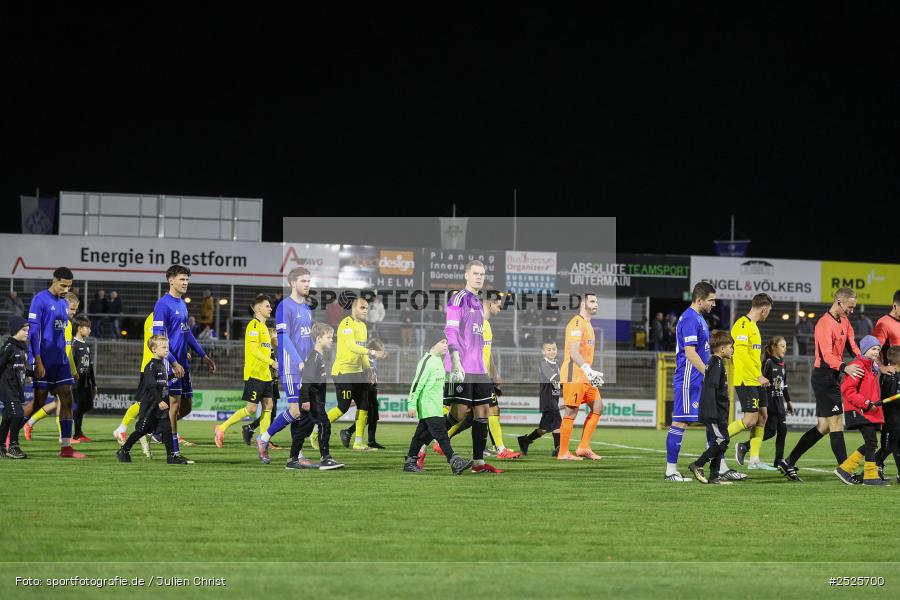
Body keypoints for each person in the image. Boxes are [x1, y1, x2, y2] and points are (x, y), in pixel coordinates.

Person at [782, 288, 863, 484]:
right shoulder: (823, 324)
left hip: (833, 376)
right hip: (824, 376)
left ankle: (789, 461)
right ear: (839, 302)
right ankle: (845, 470)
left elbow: (853, 347)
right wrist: (845, 368)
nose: (851, 311)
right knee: (836, 424)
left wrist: (865, 362)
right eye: (849, 307)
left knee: (824, 426)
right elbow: (827, 356)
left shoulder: (845, 321)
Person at [442, 260, 503, 473]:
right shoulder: (458, 298)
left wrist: (486, 369)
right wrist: (456, 361)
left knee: (482, 412)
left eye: (482, 274)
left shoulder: (477, 302)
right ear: (467, 275)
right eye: (475, 273)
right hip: (461, 367)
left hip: (478, 370)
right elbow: (450, 332)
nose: (479, 277)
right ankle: (419, 450)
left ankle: (478, 463)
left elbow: (476, 340)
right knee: (459, 414)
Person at [153, 265, 217, 461]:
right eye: (182, 279)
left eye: (187, 280)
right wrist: (172, 362)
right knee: (174, 406)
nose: (185, 283)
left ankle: (155, 430)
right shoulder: (162, 305)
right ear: (171, 280)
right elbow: (157, 338)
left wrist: (203, 355)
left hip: (183, 364)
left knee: (187, 407)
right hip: (171, 365)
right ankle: (174, 452)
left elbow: (187, 333)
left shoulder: (181, 304)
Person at [256, 268, 314, 463]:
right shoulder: (284, 306)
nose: (307, 284)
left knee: (303, 412)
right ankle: (263, 439)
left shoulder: (306, 308)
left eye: (308, 280)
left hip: (305, 367)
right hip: (291, 366)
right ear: (293, 283)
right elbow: (283, 337)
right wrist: (298, 360)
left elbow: (308, 337)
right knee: (297, 410)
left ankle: (296, 454)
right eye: (303, 280)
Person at [27, 267, 85, 458]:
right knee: (38, 403)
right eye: (63, 285)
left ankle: (66, 447)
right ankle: (9, 435)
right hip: (43, 360)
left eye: (69, 286)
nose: (65, 289)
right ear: (54, 280)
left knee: (67, 399)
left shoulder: (63, 303)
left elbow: (62, 335)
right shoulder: (40, 299)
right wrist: (37, 360)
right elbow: (34, 334)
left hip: (60, 362)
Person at [664, 282, 715, 481]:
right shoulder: (690, 318)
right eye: (711, 300)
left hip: (698, 377)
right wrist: (708, 373)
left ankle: (719, 467)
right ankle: (670, 471)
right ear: (699, 299)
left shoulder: (699, 318)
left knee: (712, 420)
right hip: (689, 377)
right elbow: (690, 352)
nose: (714, 304)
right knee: (681, 421)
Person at [320, 294, 384, 452]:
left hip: (358, 372)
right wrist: (373, 352)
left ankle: (358, 442)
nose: (365, 311)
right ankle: (317, 430)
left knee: (365, 405)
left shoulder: (363, 326)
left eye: (367, 308)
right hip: (343, 372)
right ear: (354, 308)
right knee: (343, 407)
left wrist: (368, 368)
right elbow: (351, 346)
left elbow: (360, 353)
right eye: (362, 307)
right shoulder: (346, 323)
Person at [403, 336, 473, 475]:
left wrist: (453, 378)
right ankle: (455, 461)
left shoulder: (438, 361)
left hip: (434, 407)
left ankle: (410, 462)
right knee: (442, 436)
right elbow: (417, 383)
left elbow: (440, 383)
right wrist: (411, 404)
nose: (445, 345)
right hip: (429, 407)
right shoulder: (427, 361)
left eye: (446, 342)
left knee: (420, 437)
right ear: (433, 345)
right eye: (442, 342)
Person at [215, 294, 276, 448]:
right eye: (267, 306)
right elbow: (253, 350)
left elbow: (265, 349)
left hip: (266, 375)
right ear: (258, 309)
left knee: (268, 406)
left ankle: (263, 441)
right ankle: (221, 428)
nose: (270, 308)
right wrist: (271, 362)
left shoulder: (263, 327)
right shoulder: (254, 326)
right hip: (254, 374)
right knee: (251, 409)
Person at [116, 335, 186, 464]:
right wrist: (159, 401)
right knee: (142, 430)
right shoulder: (151, 366)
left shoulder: (162, 366)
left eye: (167, 347)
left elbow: (164, 383)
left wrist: (175, 377)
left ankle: (171, 457)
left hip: (161, 407)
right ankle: (124, 450)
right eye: (163, 347)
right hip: (150, 407)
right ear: (154, 349)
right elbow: (151, 386)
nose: (167, 350)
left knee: (167, 429)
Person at [727, 293, 777, 471]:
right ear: (764, 309)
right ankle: (717, 439)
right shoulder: (742, 324)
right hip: (746, 379)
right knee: (750, 420)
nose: (768, 314)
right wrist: (758, 375)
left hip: (755, 379)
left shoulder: (754, 327)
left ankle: (754, 459)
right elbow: (740, 355)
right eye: (768, 311)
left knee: (763, 417)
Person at [286, 322, 343, 470]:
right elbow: (306, 379)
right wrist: (305, 399)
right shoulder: (315, 357)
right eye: (329, 337)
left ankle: (292, 460)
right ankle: (325, 458)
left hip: (312, 399)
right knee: (325, 424)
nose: (332, 340)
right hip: (312, 399)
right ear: (318, 338)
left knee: (303, 430)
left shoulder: (319, 357)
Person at [23, 292, 79, 440]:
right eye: (72, 309)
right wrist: (35, 363)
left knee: (64, 399)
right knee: (39, 402)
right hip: (46, 364)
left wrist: (70, 369)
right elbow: (37, 338)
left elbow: (66, 350)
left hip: (60, 366)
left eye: (76, 309)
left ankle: (65, 441)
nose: (74, 312)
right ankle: (11, 430)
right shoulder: (51, 319)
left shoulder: (67, 323)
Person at [835, 336, 889, 486]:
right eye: (873, 349)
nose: (876, 352)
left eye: (878, 349)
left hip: (868, 410)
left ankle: (845, 469)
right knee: (871, 442)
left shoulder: (873, 367)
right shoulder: (857, 365)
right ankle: (870, 477)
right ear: (865, 349)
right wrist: (865, 403)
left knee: (871, 442)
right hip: (859, 410)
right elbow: (848, 390)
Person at [557, 292, 604, 461]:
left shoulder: (589, 324)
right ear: (584, 304)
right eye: (592, 301)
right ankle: (563, 452)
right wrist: (588, 369)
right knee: (571, 412)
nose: (596, 303)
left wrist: (589, 372)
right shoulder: (577, 322)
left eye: (596, 300)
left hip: (585, 375)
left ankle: (583, 447)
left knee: (598, 407)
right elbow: (574, 352)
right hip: (574, 374)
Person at [687, 330, 735, 484]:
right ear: (722, 349)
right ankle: (698, 464)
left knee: (720, 442)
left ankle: (714, 476)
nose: (732, 349)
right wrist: (712, 411)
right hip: (714, 412)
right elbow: (710, 389)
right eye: (730, 347)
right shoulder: (716, 362)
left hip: (719, 412)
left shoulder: (719, 362)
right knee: (723, 440)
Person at [746, 336, 796, 478]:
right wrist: (763, 404)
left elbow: (784, 385)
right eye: (782, 346)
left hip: (780, 402)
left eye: (786, 346)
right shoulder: (768, 363)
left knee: (782, 431)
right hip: (770, 402)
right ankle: (745, 446)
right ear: (774, 347)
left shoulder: (783, 364)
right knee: (770, 432)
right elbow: (761, 382)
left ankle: (778, 460)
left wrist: (789, 401)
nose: (784, 349)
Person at [517, 340, 562, 456]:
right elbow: (555, 378)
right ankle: (558, 450)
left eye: (554, 349)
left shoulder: (557, 363)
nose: (552, 351)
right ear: (543, 352)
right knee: (558, 424)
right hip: (547, 399)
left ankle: (525, 440)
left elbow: (560, 383)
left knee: (544, 428)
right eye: (549, 349)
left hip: (554, 399)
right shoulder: (543, 364)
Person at [340, 338, 386, 449]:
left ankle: (371, 441)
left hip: (372, 389)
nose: (380, 354)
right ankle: (348, 432)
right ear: (372, 349)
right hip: (366, 389)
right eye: (379, 351)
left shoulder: (373, 361)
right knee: (369, 417)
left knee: (374, 417)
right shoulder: (364, 359)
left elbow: (372, 375)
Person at [243, 326, 281, 447]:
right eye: (274, 334)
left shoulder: (272, 350)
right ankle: (263, 438)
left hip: (272, 383)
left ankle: (252, 429)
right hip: (265, 382)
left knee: (271, 412)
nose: (277, 337)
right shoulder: (266, 350)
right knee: (267, 411)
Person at [0, 315, 30, 459]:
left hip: (17, 389)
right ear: (15, 330)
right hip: (8, 388)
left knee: (7, 417)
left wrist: (36, 373)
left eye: (28, 330)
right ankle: (13, 446)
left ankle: (0, 447)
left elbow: (22, 369)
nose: (27, 332)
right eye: (24, 330)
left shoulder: (22, 348)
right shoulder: (8, 347)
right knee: (18, 414)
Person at [875, 346, 900, 482]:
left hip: (898, 419)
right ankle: (870, 469)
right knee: (888, 447)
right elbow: (887, 397)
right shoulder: (889, 375)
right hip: (891, 419)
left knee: (896, 447)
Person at [71, 315, 97, 442]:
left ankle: (78, 432)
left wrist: (94, 383)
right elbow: (71, 363)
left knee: (87, 405)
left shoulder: (86, 345)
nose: (90, 330)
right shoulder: (74, 345)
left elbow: (90, 366)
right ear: (80, 329)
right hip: (77, 382)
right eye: (88, 328)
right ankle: (75, 433)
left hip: (86, 382)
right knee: (79, 406)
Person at [871, 289, 900, 374]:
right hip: (894, 375)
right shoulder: (883, 323)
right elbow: (872, 350)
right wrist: (882, 367)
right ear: (895, 306)